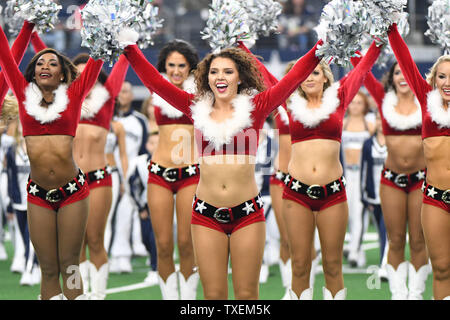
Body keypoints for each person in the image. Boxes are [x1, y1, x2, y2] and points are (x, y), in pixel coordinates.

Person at [120, 27, 324, 299]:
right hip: (205, 215)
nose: (220, 77)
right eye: (214, 71)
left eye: (228, 71)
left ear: (240, 77)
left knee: (247, 296)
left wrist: (322, 44)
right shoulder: (195, 107)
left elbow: (293, 78)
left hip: (248, 215)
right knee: (213, 296)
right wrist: (130, 49)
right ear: (206, 77)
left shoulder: (258, 106)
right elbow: (156, 84)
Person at [0, 23, 104, 299]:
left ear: (62, 74)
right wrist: (22, 24)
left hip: (72, 192)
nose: (45, 66)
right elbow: (5, 55)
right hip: (37, 194)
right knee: (47, 269)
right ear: (33, 72)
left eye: (52, 63)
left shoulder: (74, 95)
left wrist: (107, 29)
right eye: (40, 63)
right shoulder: (23, 96)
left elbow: (97, 58)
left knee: (69, 265)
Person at [282, 41, 381, 300]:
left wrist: (381, 38)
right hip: (296, 194)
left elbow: (363, 68)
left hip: (333, 194)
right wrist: (239, 43)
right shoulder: (289, 101)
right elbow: (263, 74)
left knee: (333, 265)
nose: (309, 77)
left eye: (315, 72)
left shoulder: (340, 97)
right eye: (304, 73)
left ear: (326, 77)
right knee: (300, 264)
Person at [351, 53, 430, 300]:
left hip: (419, 180)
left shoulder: (426, 101)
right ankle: (398, 293)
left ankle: (415, 293)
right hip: (391, 181)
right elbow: (362, 71)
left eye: (407, 72)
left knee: (418, 240)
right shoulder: (383, 100)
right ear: (391, 79)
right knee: (395, 240)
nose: (402, 77)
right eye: (397, 73)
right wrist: (350, 42)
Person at [389, 23, 450, 300]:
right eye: (442, 77)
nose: (447, 82)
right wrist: (390, 27)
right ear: (433, 80)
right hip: (435, 198)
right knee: (441, 268)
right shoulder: (427, 104)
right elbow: (404, 58)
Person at [143, 40, 200, 300]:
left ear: (190, 68)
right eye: (171, 66)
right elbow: (140, 67)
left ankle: (187, 300)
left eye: (182, 66)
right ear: (164, 67)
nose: (176, 71)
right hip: (159, 173)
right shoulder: (157, 90)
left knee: (187, 243)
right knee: (163, 244)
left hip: (191, 174)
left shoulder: (201, 92)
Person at [72, 53, 129, 300]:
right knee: (74, 244)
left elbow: (119, 68)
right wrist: (32, 30)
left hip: (98, 179)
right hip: (70, 182)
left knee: (95, 238)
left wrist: (128, 46)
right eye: (79, 73)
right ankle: (80, 294)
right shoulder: (65, 103)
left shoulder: (105, 103)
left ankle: (99, 295)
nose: (85, 77)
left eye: (90, 72)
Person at [109, 81, 149, 273]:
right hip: (108, 171)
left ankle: (122, 255)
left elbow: (143, 150)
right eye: (119, 91)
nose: (122, 95)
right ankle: (106, 255)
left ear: (132, 96)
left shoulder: (140, 120)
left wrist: (136, 177)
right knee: (106, 217)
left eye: (126, 91)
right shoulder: (106, 119)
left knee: (126, 213)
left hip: (131, 173)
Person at [342, 91, 375, 268]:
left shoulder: (370, 126)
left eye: (359, 103)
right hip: (346, 175)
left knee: (359, 212)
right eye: (352, 102)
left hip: (362, 176)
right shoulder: (342, 124)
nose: (355, 106)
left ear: (365, 106)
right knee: (345, 213)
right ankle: (350, 246)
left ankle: (355, 250)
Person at [360, 109, 388, 281]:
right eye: (378, 118)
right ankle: (387, 263)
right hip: (373, 196)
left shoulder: (395, 142)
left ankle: (384, 266)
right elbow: (364, 171)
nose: (380, 122)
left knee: (388, 231)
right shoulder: (368, 143)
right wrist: (364, 196)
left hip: (391, 195)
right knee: (381, 232)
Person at [128, 131, 159, 286]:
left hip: (161, 205)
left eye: (158, 143)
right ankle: (152, 257)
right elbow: (133, 185)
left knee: (156, 238)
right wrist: (140, 207)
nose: (155, 147)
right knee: (145, 238)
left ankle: (155, 268)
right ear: (147, 145)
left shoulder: (167, 162)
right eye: (152, 143)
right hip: (145, 205)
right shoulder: (140, 162)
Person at [103, 118, 128, 255]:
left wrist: (124, 179)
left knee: (107, 218)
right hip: (86, 174)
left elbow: (123, 155)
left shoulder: (117, 126)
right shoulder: (82, 121)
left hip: (110, 171)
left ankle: (103, 258)